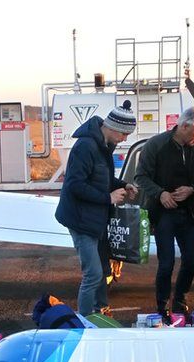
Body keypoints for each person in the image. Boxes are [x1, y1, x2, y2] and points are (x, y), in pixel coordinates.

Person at [55, 101, 137, 316]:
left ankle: (100, 310)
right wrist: (108, 197)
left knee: (103, 271)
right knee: (92, 274)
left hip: (96, 218)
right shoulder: (86, 146)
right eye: (123, 134)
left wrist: (122, 185)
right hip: (81, 220)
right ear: (111, 127)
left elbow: (102, 178)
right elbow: (74, 185)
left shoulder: (103, 146)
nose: (125, 139)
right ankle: (85, 322)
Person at [135, 106, 194, 323]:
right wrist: (160, 194)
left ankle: (180, 299)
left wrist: (193, 189)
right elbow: (141, 176)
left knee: (192, 261)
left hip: (189, 212)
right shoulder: (156, 145)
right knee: (166, 263)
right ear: (184, 126)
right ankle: (162, 306)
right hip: (164, 213)